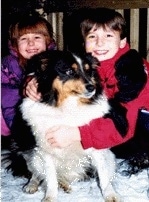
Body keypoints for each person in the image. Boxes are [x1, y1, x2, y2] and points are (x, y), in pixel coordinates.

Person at [24, 8, 149, 151]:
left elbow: (124, 124)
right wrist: (32, 82)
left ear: (122, 42)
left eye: (108, 35)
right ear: (84, 43)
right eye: (92, 37)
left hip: (141, 127)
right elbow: (57, 66)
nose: (99, 43)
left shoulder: (132, 73)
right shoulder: (93, 62)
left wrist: (78, 134)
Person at [1, 12, 56, 136]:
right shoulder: (7, 66)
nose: (31, 43)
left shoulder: (57, 61)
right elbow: (8, 99)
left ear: (47, 41)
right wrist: (19, 131)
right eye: (24, 39)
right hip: (15, 119)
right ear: (14, 44)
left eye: (37, 37)